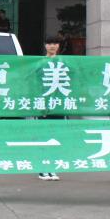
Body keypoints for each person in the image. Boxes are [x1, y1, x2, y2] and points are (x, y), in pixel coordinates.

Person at [38, 34, 63, 182]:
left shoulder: (63, 62)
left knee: (56, 137)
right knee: (44, 137)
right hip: (43, 105)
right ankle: (42, 169)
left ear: (58, 46)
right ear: (45, 45)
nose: (52, 46)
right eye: (49, 43)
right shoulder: (40, 62)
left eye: (55, 43)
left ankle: (52, 167)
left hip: (59, 105)